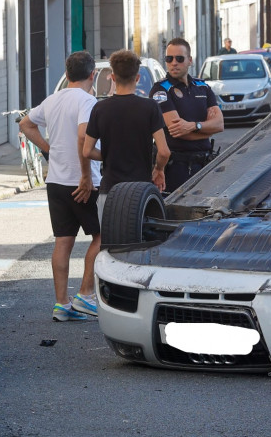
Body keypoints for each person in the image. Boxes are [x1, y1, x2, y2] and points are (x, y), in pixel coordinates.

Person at [18, 51, 101, 322]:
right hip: (84, 181)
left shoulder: (52, 100)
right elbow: (82, 138)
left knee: (63, 241)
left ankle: (61, 304)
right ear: (93, 75)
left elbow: (26, 124)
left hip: (56, 181)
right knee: (103, 237)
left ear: (66, 75)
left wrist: (49, 150)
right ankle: (85, 295)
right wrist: (87, 176)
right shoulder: (88, 101)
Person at [82, 49, 170, 220]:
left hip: (109, 190)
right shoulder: (150, 107)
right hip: (140, 191)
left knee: (110, 243)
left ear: (113, 78)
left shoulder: (100, 108)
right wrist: (158, 169)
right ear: (137, 78)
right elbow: (164, 151)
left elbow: (87, 151)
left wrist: (108, 155)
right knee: (142, 241)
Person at [149, 37, 224, 193]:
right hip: (176, 167)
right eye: (169, 59)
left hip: (204, 165)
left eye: (179, 58)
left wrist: (193, 126)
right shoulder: (160, 90)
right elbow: (176, 131)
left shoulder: (203, 87)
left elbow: (220, 124)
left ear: (190, 60)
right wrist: (205, 130)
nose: (173, 63)